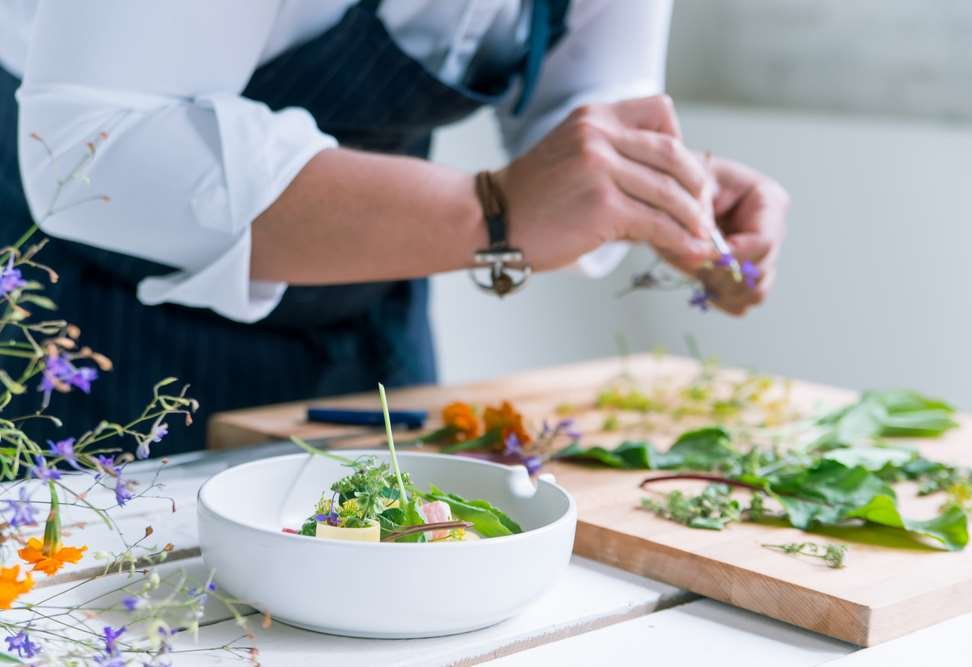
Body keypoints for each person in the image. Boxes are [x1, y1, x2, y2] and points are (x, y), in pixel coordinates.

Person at [0, 0, 788, 454]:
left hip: (368, 319)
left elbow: (590, 86)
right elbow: (94, 148)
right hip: (82, 319)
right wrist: (491, 213)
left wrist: (642, 180)